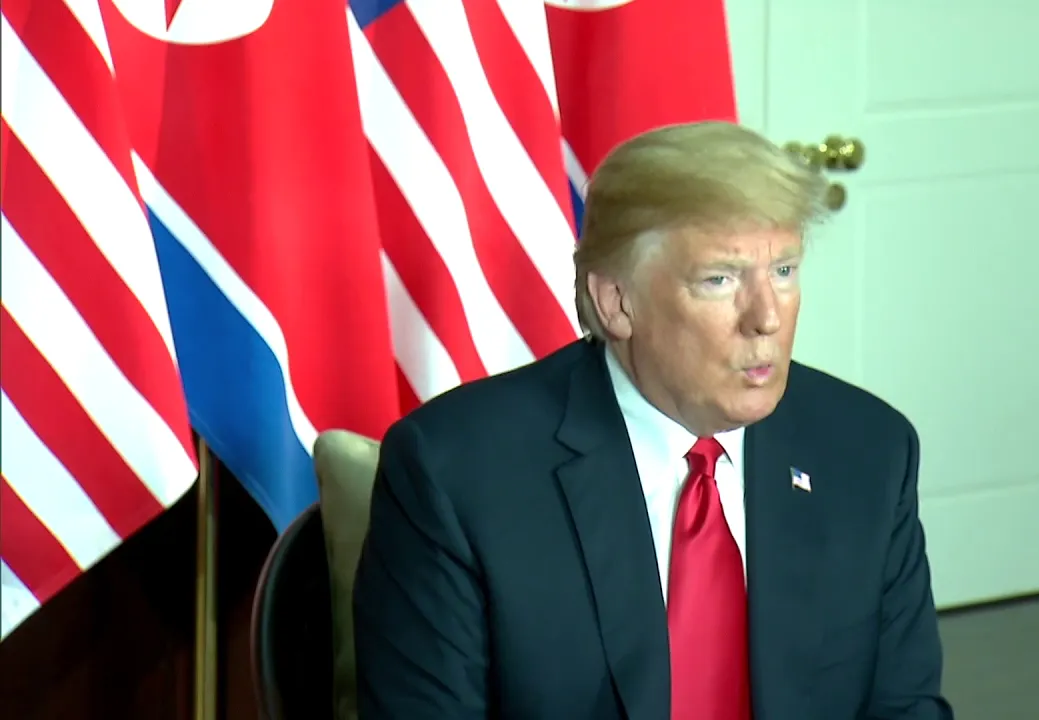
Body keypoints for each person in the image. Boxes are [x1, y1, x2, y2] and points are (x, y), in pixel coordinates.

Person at [352, 120, 953, 719]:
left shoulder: (867, 450)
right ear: (617, 301)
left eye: (784, 272)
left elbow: (904, 708)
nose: (766, 318)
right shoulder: (457, 473)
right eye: (720, 279)